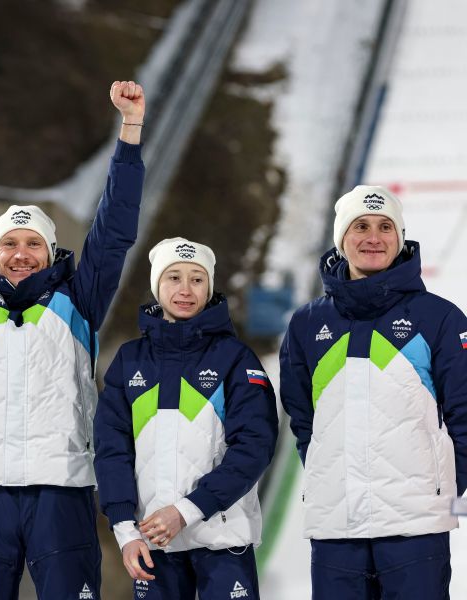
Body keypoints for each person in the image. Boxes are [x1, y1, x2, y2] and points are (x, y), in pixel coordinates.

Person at [0, 79, 145, 599]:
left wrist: (130, 131)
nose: (21, 254)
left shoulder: (79, 300)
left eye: (34, 244)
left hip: (60, 488)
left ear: (52, 251)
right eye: (10, 244)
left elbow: (114, 232)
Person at [279, 185, 467, 599]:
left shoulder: (439, 318)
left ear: (400, 238)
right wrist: (329, 476)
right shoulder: (306, 325)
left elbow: (465, 413)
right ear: (341, 239)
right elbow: (303, 419)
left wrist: (444, 486)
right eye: (360, 225)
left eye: (385, 227)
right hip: (336, 528)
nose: (373, 237)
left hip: (416, 527)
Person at [93, 237, 278, 600]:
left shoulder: (235, 359)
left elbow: (255, 446)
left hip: (222, 540)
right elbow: (111, 450)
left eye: (197, 279)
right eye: (173, 277)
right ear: (156, 285)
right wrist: (125, 530)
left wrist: (187, 509)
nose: (185, 289)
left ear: (209, 287)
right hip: (153, 544)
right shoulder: (130, 361)